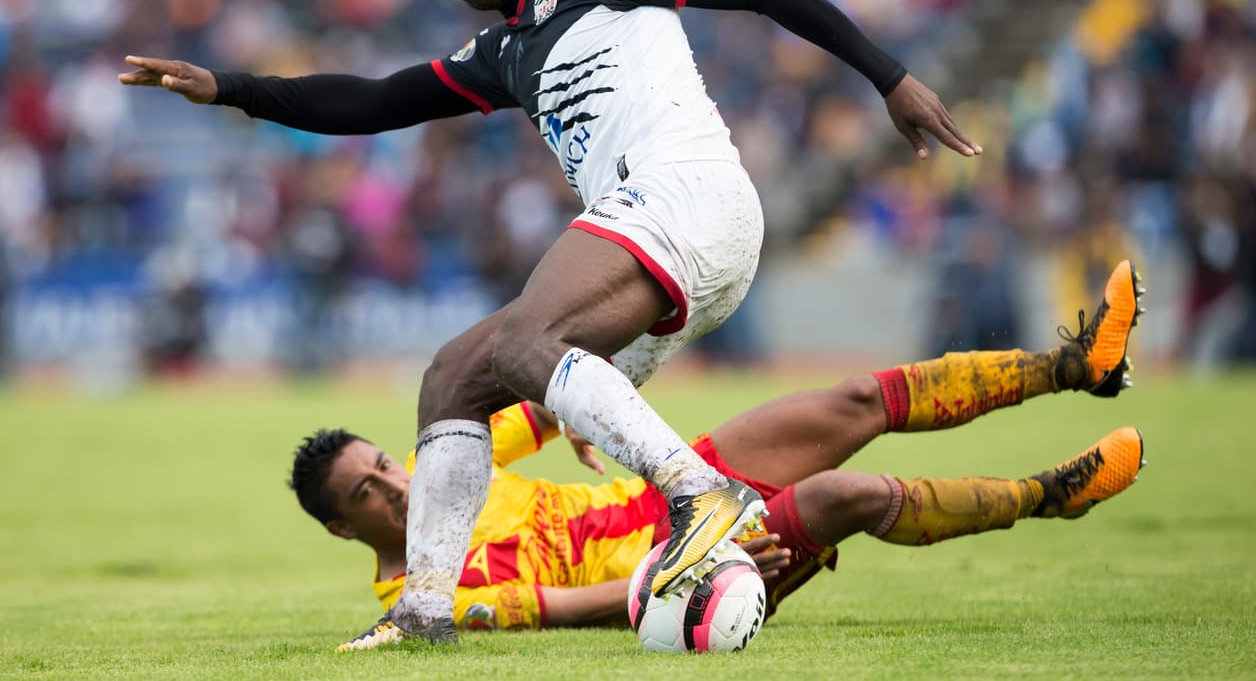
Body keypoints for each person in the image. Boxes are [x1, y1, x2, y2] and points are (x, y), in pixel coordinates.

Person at [122, 0, 997, 643]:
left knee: (520, 344)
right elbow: (371, 101)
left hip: (690, 197)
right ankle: (424, 611)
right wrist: (230, 87)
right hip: (663, 233)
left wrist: (890, 75)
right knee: (453, 379)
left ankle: (700, 494)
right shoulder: (505, 51)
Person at [288, 261, 1147, 650]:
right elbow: (554, 608)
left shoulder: (449, 460)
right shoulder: (417, 595)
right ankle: (1053, 491)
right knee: (849, 493)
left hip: (671, 488)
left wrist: (571, 405)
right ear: (340, 527)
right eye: (368, 490)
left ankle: (1079, 365)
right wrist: (684, 573)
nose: (395, 483)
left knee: (856, 399)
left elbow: (543, 390)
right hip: (676, 573)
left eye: (386, 464)